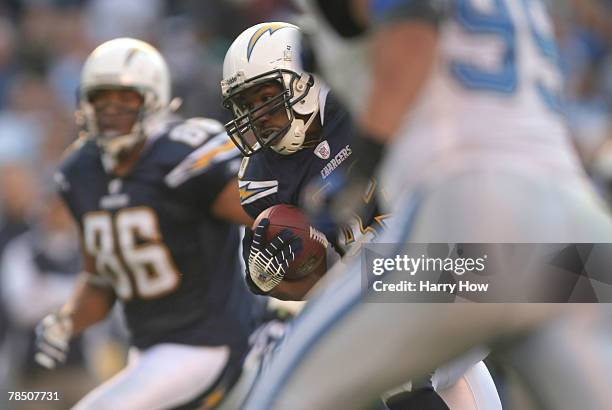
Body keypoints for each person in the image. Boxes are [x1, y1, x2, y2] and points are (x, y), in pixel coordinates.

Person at [238, 1, 612, 409]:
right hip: (573, 221)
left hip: (473, 207)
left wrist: (361, 165)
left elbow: (412, 35)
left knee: (284, 396)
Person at [221, 22, 501, 409]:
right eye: (246, 105)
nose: (258, 115)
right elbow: (306, 279)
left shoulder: (362, 106)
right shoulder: (262, 179)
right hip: (391, 291)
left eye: (266, 97)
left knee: (569, 290)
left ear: (303, 82)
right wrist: (269, 274)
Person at [34, 37, 263, 410]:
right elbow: (100, 279)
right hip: (145, 351)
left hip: (207, 343)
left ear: (153, 99)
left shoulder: (184, 154)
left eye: (125, 99)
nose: (111, 111)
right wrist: (66, 320)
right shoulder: (80, 172)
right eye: (101, 99)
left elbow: (268, 218)